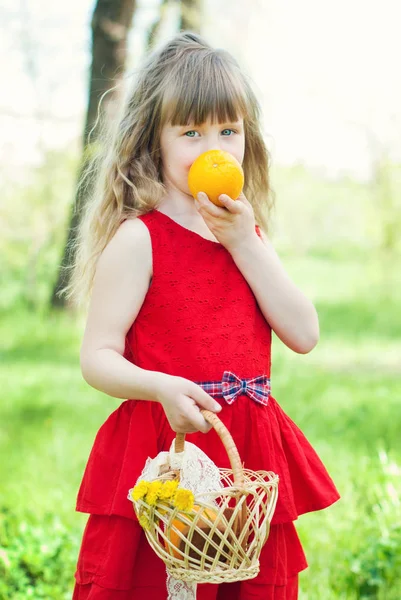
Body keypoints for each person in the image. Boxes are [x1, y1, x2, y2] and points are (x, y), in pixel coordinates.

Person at [66, 31, 340, 600]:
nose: (211, 146)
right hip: (170, 452)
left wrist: (246, 243)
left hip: (245, 460)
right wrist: (160, 386)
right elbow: (97, 357)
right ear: (154, 141)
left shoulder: (249, 234)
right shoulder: (141, 239)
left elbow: (304, 333)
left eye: (227, 131)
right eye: (190, 132)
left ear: (246, 139)